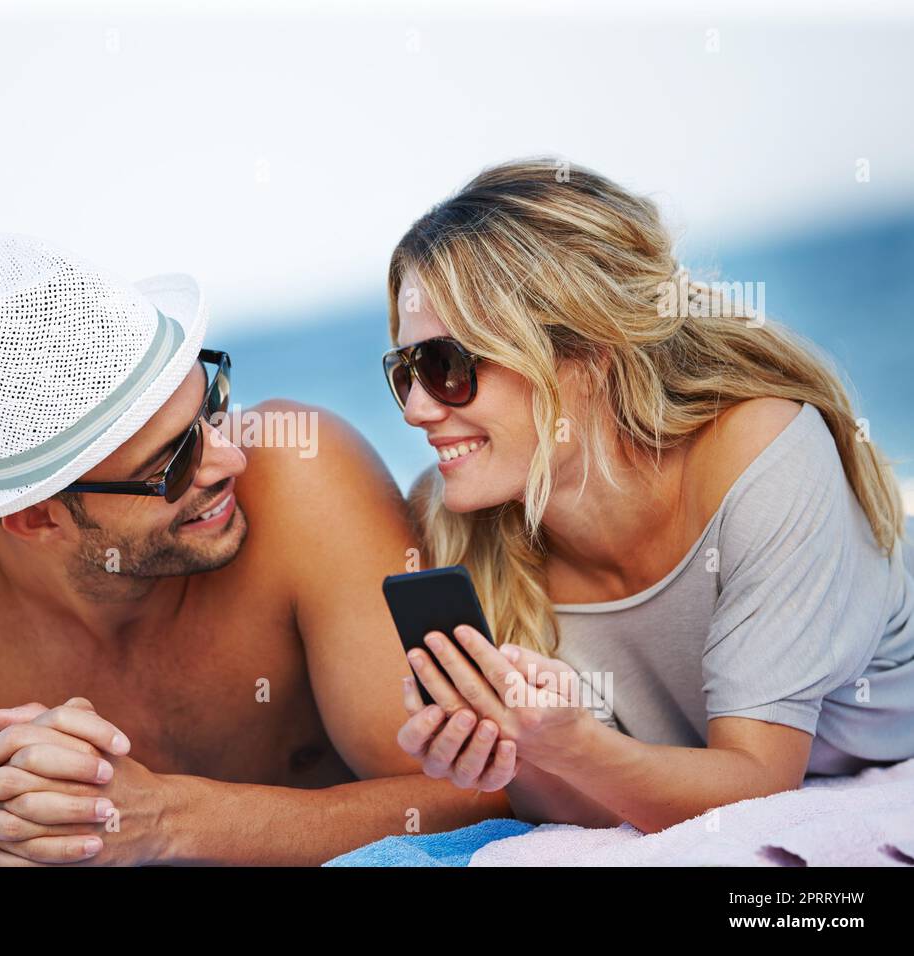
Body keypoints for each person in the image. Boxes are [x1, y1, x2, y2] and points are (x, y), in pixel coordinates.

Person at [0, 233, 505, 866]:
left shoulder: (303, 480)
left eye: (213, 407)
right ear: (35, 519)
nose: (230, 456)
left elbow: (486, 795)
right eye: (174, 464)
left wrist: (172, 819)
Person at [385, 159, 914, 834]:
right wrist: (519, 758)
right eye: (405, 371)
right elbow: (603, 802)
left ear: (589, 355)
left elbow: (758, 781)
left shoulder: (762, 454)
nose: (416, 410)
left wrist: (576, 746)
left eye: (447, 366)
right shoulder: (458, 515)